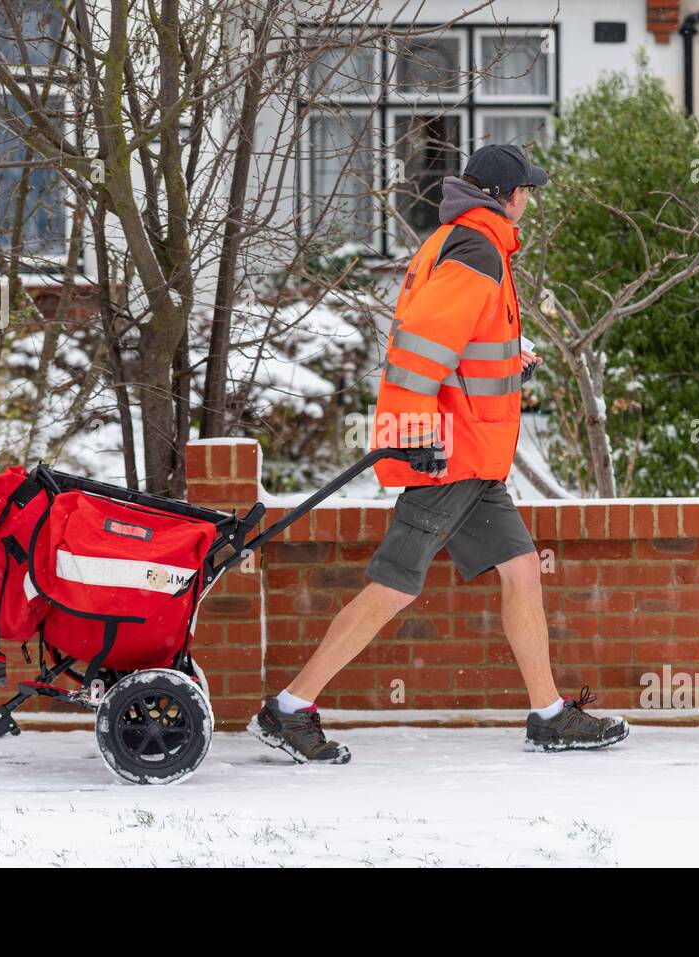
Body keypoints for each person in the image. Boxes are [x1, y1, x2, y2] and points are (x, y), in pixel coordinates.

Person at [249, 144, 629, 763]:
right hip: (449, 454)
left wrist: (510, 362)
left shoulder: (466, 243)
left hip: (474, 456)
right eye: (526, 190)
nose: (530, 199)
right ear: (508, 195)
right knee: (395, 584)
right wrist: (419, 432)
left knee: (522, 569)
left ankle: (549, 714)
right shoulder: (477, 250)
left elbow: (460, 349)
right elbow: (420, 351)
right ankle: (290, 708)